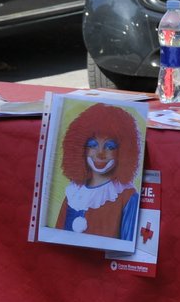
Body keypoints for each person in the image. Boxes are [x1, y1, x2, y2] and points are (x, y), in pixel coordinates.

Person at [53, 101, 143, 241]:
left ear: (123, 151)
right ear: (81, 148)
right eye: (92, 145)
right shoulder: (73, 194)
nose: (100, 153)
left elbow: (127, 246)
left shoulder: (127, 197)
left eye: (110, 147)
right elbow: (57, 238)